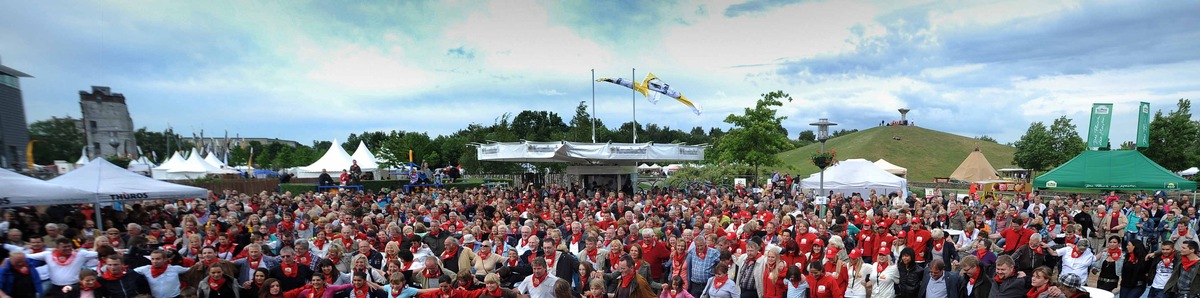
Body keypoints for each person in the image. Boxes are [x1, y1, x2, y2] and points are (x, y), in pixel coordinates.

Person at [26, 238, 99, 294]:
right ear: (57, 247)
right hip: (56, 287)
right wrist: (26, 249)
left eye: (69, 246)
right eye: (64, 247)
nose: (67, 248)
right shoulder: (48, 254)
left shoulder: (81, 254)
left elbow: (101, 253)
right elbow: (28, 256)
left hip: (74, 286)